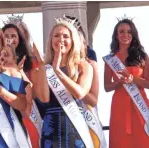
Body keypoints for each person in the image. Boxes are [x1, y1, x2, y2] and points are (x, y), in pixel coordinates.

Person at [39, 15, 94, 148]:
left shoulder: (83, 66)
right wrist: (47, 69)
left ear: (73, 40)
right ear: (51, 40)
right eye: (56, 36)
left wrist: (58, 72)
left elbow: (80, 93)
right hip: (51, 128)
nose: (61, 40)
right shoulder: (44, 68)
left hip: (75, 128)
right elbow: (44, 98)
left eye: (65, 36)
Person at [104, 18, 149, 148]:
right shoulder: (110, 59)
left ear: (133, 35)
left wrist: (133, 79)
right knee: (121, 141)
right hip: (120, 105)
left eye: (129, 32)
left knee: (143, 140)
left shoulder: (142, 56)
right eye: (121, 32)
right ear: (116, 35)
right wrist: (119, 83)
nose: (125, 35)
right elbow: (107, 87)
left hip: (140, 104)